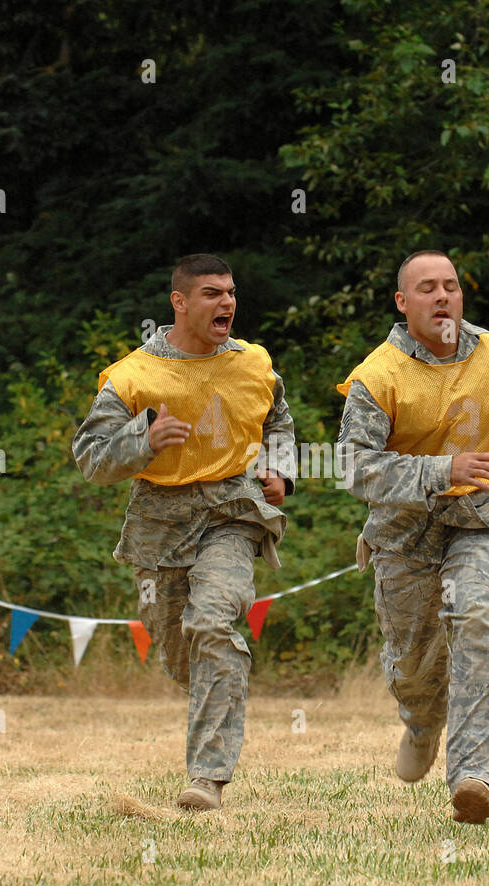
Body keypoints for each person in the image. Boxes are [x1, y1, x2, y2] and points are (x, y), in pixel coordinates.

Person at [336, 250, 489, 824]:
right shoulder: (379, 376)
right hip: (402, 534)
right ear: (403, 302)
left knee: (476, 620)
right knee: (417, 666)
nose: (442, 296)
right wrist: (442, 471)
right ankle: (422, 720)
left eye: (450, 286)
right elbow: (352, 467)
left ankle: (476, 775)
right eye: (427, 288)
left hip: (484, 520)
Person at [73, 254, 295, 812]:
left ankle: (207, 777)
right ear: (179, 302)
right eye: (211, 294)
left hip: (232, 511)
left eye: (231, 292)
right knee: (179, 652)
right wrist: (143, 443)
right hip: (160, 522)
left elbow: (279, 423)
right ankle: (215, 694)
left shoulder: (254, 362)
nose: (226, 304)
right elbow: (91, 458)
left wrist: (279, 469)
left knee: (213, 621)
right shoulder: (133, 376)